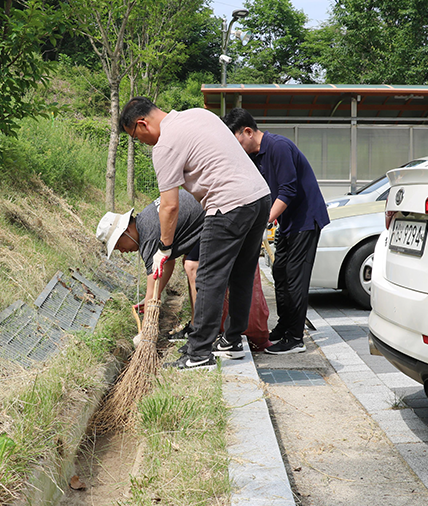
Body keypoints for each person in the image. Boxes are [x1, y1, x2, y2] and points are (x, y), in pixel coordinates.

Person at [119, 97, 271, 370]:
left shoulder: (165, 144)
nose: (143, 142)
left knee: (208, 277)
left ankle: (199, 352)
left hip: (227, 204)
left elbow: (169, 205)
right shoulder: (200, 115)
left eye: (137, 137)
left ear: (142, 123)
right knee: (241, 275)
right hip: (259, 198)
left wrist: (164, 248)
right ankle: (232, 341)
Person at [222, 108, 330, 355]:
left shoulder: (278, 146)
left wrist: (262, 222)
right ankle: (284, 326)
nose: (236, 148)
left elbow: (288, 191)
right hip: (289, 223)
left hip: (305, 220)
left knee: (295, 280)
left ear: (247, 132)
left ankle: (295, 338)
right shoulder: (256, 155)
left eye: (236, 140)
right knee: (280, 273)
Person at [95, 190, 203, 344]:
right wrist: (148, 300)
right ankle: (195, 326)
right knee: (189, 262)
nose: (123, 251)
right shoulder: (144, 221)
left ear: (126, 231)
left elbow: (153, 290)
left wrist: (146, 333)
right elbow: (168, 262)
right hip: (203, 214)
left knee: (192, 266)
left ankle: (199, 332)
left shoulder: (148, 238)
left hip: (213, 216)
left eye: (119, 245)